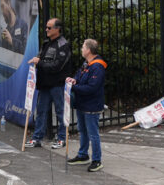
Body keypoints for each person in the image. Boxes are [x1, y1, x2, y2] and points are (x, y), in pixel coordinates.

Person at [26, 18, 74, 149]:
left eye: (49, 28)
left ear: (57, 29)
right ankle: (37, 138)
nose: (46, 30)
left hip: (57, 85)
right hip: (45, 84)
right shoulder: (46, 42)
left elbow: (57, 66)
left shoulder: (64, 45)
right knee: (41, 111)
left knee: (60, 112)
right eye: (46, 27)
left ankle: (62, 138)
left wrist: (39, 62)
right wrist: (36, 62)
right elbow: (41, 58)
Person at [66, 39, 106, 172]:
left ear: (89, 50)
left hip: (92, 105)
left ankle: (97, 160)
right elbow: (79, 77)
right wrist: (74, 80)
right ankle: (83, 155)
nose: (82, 49)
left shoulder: (97, 66)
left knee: (93, 133)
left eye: (83, 47)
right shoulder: (86, 64)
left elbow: (92, 88)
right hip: (82, 103)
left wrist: (74, 87)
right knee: (82, 130)